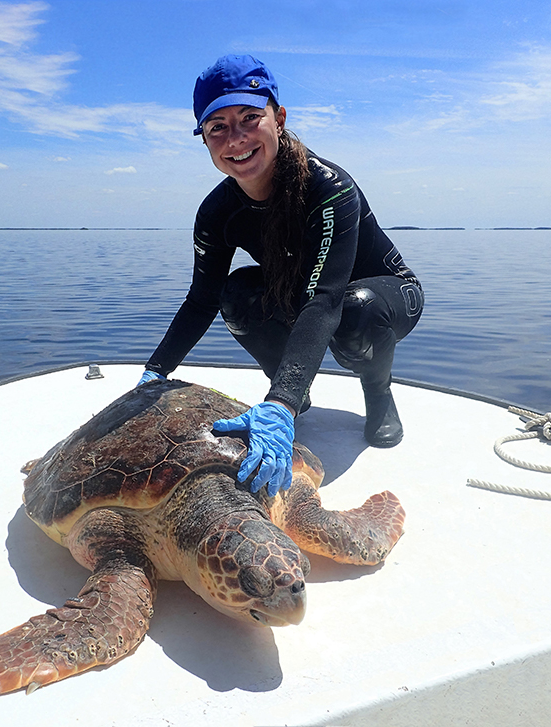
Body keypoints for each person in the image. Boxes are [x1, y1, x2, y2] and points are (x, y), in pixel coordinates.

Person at [138, 54, 423, 497]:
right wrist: (155, 372)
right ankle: (293, 390)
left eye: (250, 118)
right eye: (218, 127)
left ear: (279, 117)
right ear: (205, 140)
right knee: (235, 292)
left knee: (354, 312)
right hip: (307, 293)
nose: (236, 139)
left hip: (383, 295)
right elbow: (201, 299)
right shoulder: (217, 212)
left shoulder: (329, 188)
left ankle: (377, 394)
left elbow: (326, 298)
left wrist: (279, 403)